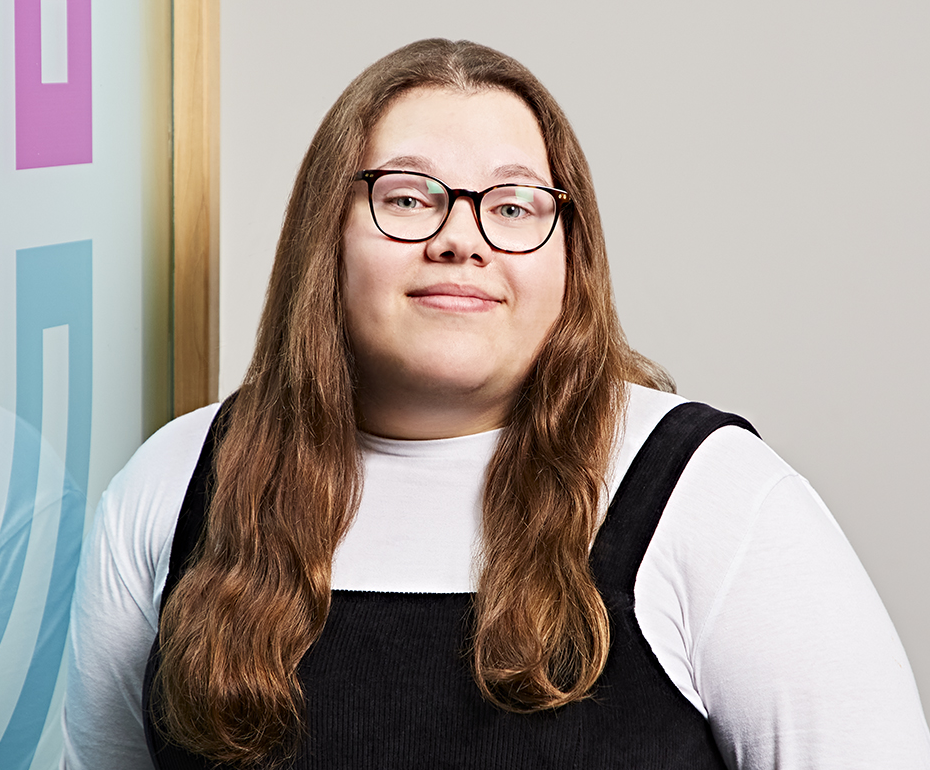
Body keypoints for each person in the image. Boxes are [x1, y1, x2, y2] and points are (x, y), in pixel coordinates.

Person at [62, 39, 930, 769]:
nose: (460, 239)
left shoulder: (716, 498)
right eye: (409, 197)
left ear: (570, 255)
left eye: (514, 206)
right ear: (326, 234)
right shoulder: (174, 483)